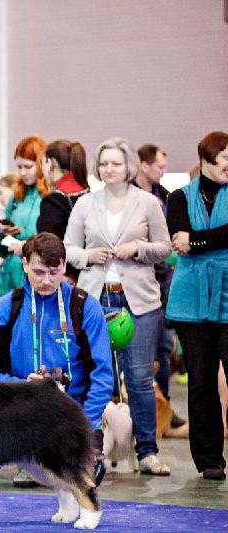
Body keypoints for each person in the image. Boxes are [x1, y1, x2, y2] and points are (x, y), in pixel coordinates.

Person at [64, 137, 172, 476]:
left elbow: (165, 247)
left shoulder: (148, 203)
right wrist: (88, 256)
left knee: (139, 377)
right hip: (95, 298)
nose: (109, 169)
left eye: (116, 163)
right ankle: (92, 449)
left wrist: (138, 248)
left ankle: (147, 451)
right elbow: (68, 248)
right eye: (104, 163)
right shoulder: (85, 203)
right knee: (97, 375)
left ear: (129, 166)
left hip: (139, 299)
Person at [0, 232, 113, 488]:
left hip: (75, 411)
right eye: (39, 272)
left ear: (64, 266)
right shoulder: (6, 308)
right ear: (25, 264)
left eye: (54, 272)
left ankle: (85, 452)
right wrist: (23, 388)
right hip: (23, 410)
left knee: (83, 482)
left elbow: (103, 375)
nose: (46, 281)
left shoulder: (85, 307)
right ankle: (28, 458)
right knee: (47, 474)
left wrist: (84, 423)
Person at [166, 130, 228, 480]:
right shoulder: (179, 197)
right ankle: (209, 460)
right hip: (191, 302)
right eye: (226, 159)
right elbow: (179, 240)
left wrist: (198, 240)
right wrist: (206, 241)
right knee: (201, 382)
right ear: (206, 159)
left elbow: (194, 241)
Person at [133, 144, 184, 428]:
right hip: (136, 284)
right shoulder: (127, 197)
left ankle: (163, 406)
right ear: (144, 165)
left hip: (163, 286)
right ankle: (135, 412)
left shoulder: (165, 197)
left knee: (164, 349)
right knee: (137, 355)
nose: (164, 172)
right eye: (160, 167)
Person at [0, 135, 50, 298]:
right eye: (19, 167)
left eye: (28, 167)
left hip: (38, 275)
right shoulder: (16, 196)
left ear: (41, 164)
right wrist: (4, 233)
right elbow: (1, 251)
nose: (22, 173)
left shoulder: (51, 196)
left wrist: (25, 245)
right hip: (8, 278)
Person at [37, 139, 90, 282]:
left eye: (42, 163)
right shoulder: (90, 195)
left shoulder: (52, 202)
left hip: (65, 278)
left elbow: (48, 248)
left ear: (50, 164)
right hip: (90, 276)